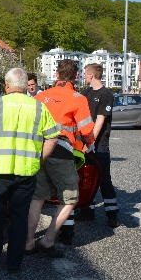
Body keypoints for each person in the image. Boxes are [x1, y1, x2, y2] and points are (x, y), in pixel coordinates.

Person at [0, 67, 59, 273]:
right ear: (25, 86)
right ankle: (14, 263)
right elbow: (52, 137)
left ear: (7, 85)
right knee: (20, 218)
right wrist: (39, 158)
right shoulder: (38, 107)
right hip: (26, 171)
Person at [26, 60, 95, 256]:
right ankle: (48, 240)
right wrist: (90, 145)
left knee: (37, 197)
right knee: (70, 198)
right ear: (76, 76)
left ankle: (28, 243)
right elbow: (87, 130)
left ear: (56, 74)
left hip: (38, 151)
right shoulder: (78, 98)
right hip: (62, 151)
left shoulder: (41, 97)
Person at [78, 63, 119, 228]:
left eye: (85, 74)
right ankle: (87, 210)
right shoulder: (85, 93)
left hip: (99, 145)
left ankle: (112, 214)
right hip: (84, 143)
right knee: (85, 178)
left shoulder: (106, 94)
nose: (84, 77)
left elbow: (100, 121)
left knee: (103, 179)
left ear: (91, 76)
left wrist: (90, 141)